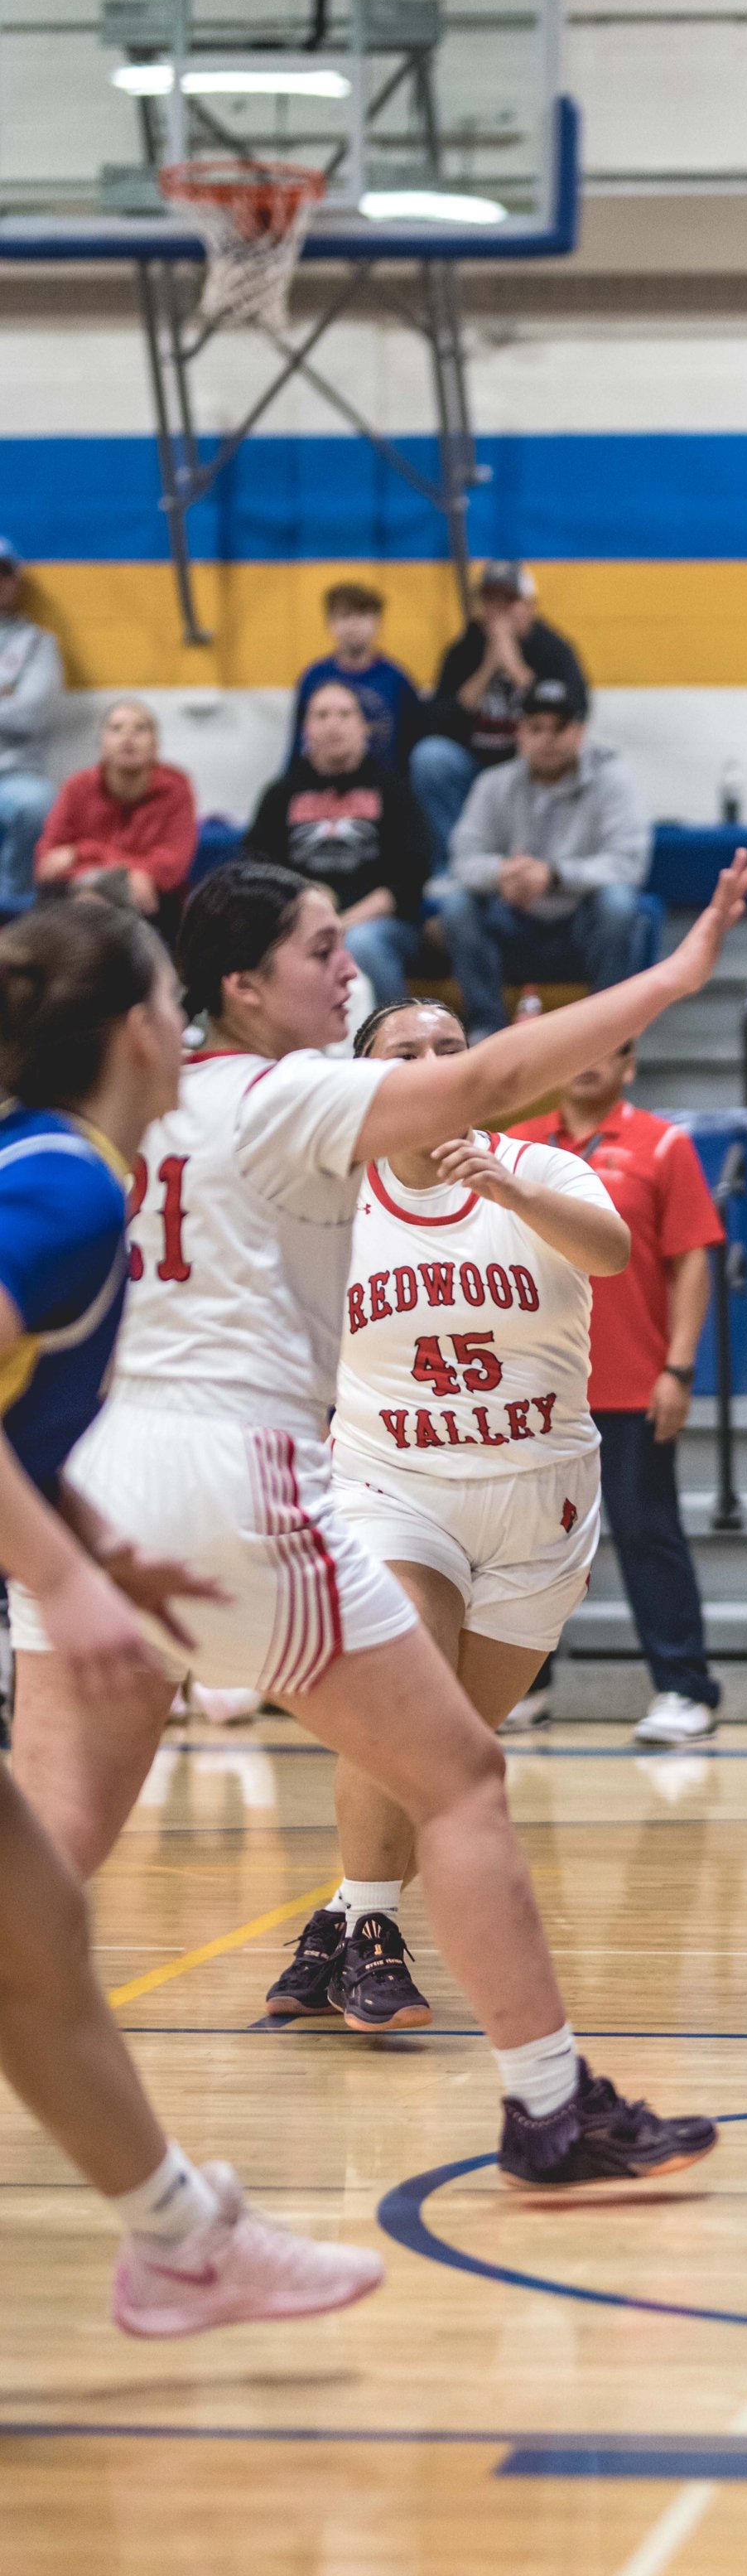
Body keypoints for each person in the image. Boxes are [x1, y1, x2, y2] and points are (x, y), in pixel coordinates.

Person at [7, 848, 747, 2200]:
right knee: (461, 1778)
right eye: (318, 949)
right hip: (233, 1477)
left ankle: (404, 1989)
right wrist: (674, 974)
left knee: (51, 1849)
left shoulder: (115, 1101)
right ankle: (550, 2107)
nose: (344, 964)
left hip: (91, 1484)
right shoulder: (286, 1088)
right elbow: (477, 1083)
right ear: (241, 988)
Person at [0, 893, 383, 2332]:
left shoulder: (59, 1170)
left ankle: (176, 2238)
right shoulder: (69, 1190)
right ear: (127, 1031)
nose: (187, 1025)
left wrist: (100, 1550)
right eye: (170, 999)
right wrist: (62, 1579)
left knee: (34, 1941)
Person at [267, 996, 629, 2030]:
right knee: (400, 1700)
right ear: (367, 1077)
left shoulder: (545, 1168)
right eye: (404, 1051)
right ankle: (376, 1936)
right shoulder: (329, 1198)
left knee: (448, 1754)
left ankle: (335, 1919)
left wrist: (510, 1187)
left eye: (449, 1049)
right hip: (392, 1486)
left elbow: (608, 1253)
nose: (430, 1064)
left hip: (541, 1498)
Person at [508, 1034, 726, 1746]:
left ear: (631, 1066)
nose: (590, 1058)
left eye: (610, 1049)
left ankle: (685, 1689)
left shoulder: (664, 1146)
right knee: (524, 1544)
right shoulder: (516, 1146)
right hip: (534, 1385)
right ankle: (523, 1688)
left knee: (647, 1534)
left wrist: (680, 1366)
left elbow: (692, 1259)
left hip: (632, 1382)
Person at [432, 674, 650, 1042]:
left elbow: (629, 864)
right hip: (513, 919)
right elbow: (464, 859)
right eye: (536, 727)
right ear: (520, 732)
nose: (547, 738)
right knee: (456, 905)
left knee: (620, 905)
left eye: (559, 727)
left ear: (580, 732)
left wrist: (553, 876)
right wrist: (504, 873)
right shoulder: (494, 784)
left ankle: (608, 1035)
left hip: (581, 926)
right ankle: (487, 1027)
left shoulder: (615, 782)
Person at [246, 679, 433, 1008]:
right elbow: (258, 870)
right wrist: (307, 902)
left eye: (345, 714)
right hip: (300, 920)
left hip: (379, 925)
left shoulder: (394, 790)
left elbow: (411, 877)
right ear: (306, 729)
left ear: (364, 727)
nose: (334, 724)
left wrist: (345, 924)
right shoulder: (280, 795)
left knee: (362, 943)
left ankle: (395, 1036)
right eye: (322, 715)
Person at [412, 561, 586, 862]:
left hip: (530, 766)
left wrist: (514, 664)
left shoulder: (554, 650)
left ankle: (537, 864)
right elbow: (437, 722)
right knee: (430, 758)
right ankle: (456, 862)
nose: (499, 611)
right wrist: (489, 665)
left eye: (509, 601)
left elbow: (574, 713)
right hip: (475, 764)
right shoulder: (465, 648)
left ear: (529, 606)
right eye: (490, 601)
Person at [35, 700, 197, 932]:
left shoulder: (177, 789)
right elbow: (47, 863)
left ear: (156, 744)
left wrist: (81, 853)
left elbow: (170, 869)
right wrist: (115, 877)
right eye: (116, 728)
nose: (128, 736)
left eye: (140, 728)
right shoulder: (77, 787)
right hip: (79, 895)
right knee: (54, 897)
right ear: (101, 742)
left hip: (150, 904)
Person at [287, 581, 423, 773]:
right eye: (345, 616)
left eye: (363, 615)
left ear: (378, 621)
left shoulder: (396, 679)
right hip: (323, 784)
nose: (354, 623)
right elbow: (298, 745)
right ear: (330, 623)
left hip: (384, 787)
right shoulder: (314, 677)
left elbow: (414, 744)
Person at [0, 542, 61, 911]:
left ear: (15, 580)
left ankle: (11, 901)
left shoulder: (38, 643)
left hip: (14, 775)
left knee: (39, 804)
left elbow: (32, 715)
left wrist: (16, 704)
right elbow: (15, 710)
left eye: (3, 572)